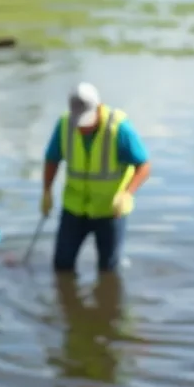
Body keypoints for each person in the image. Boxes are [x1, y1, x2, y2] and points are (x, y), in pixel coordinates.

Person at [40, 82, 151, 274]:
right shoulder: (65, 124)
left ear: (99, 108)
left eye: (87, 121)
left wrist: (127, 194)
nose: (83, 128)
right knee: (62, 264)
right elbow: (52, 159)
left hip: (110, 210)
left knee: (108, 269)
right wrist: (47, 191)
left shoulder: (120, 128)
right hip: (74, 208)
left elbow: (144, 166)